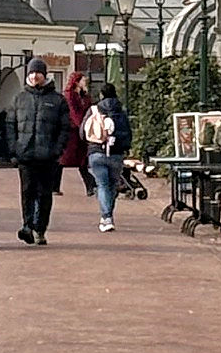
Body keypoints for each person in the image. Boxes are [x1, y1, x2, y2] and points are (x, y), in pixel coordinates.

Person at [7, 58, 72, 246]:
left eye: (38, 73)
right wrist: (14, 148)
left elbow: (65, 128)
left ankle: (40, 229)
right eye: (31, 73)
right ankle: (27, 226)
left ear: (44, 75)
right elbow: (10, 125)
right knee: (27, 192)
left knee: (44, 194)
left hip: (47, 156)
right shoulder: (19, 98)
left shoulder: (57, 100)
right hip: (25, 155)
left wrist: (57, 150)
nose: (34, 76)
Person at [83, 83, 131, 231]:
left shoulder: (93, 110)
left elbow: (83, 131)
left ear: (101, 95)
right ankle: (107, 215)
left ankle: (106, 217)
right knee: (112, 185)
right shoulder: (121, 112)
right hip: (116, 154)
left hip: (96, 152)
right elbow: (128, 135)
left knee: (102, 185)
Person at [61, 70, 97, 198]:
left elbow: (89, 109)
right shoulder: (69, 95)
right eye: (82, 80)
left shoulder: (84, 95)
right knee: (63, 160)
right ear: (77, 82)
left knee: (83, 161)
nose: (85, 82)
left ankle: (90, 186)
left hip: (81, 133)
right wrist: (83, 126)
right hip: (72, 132)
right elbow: (73, 112)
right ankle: (54, 185)